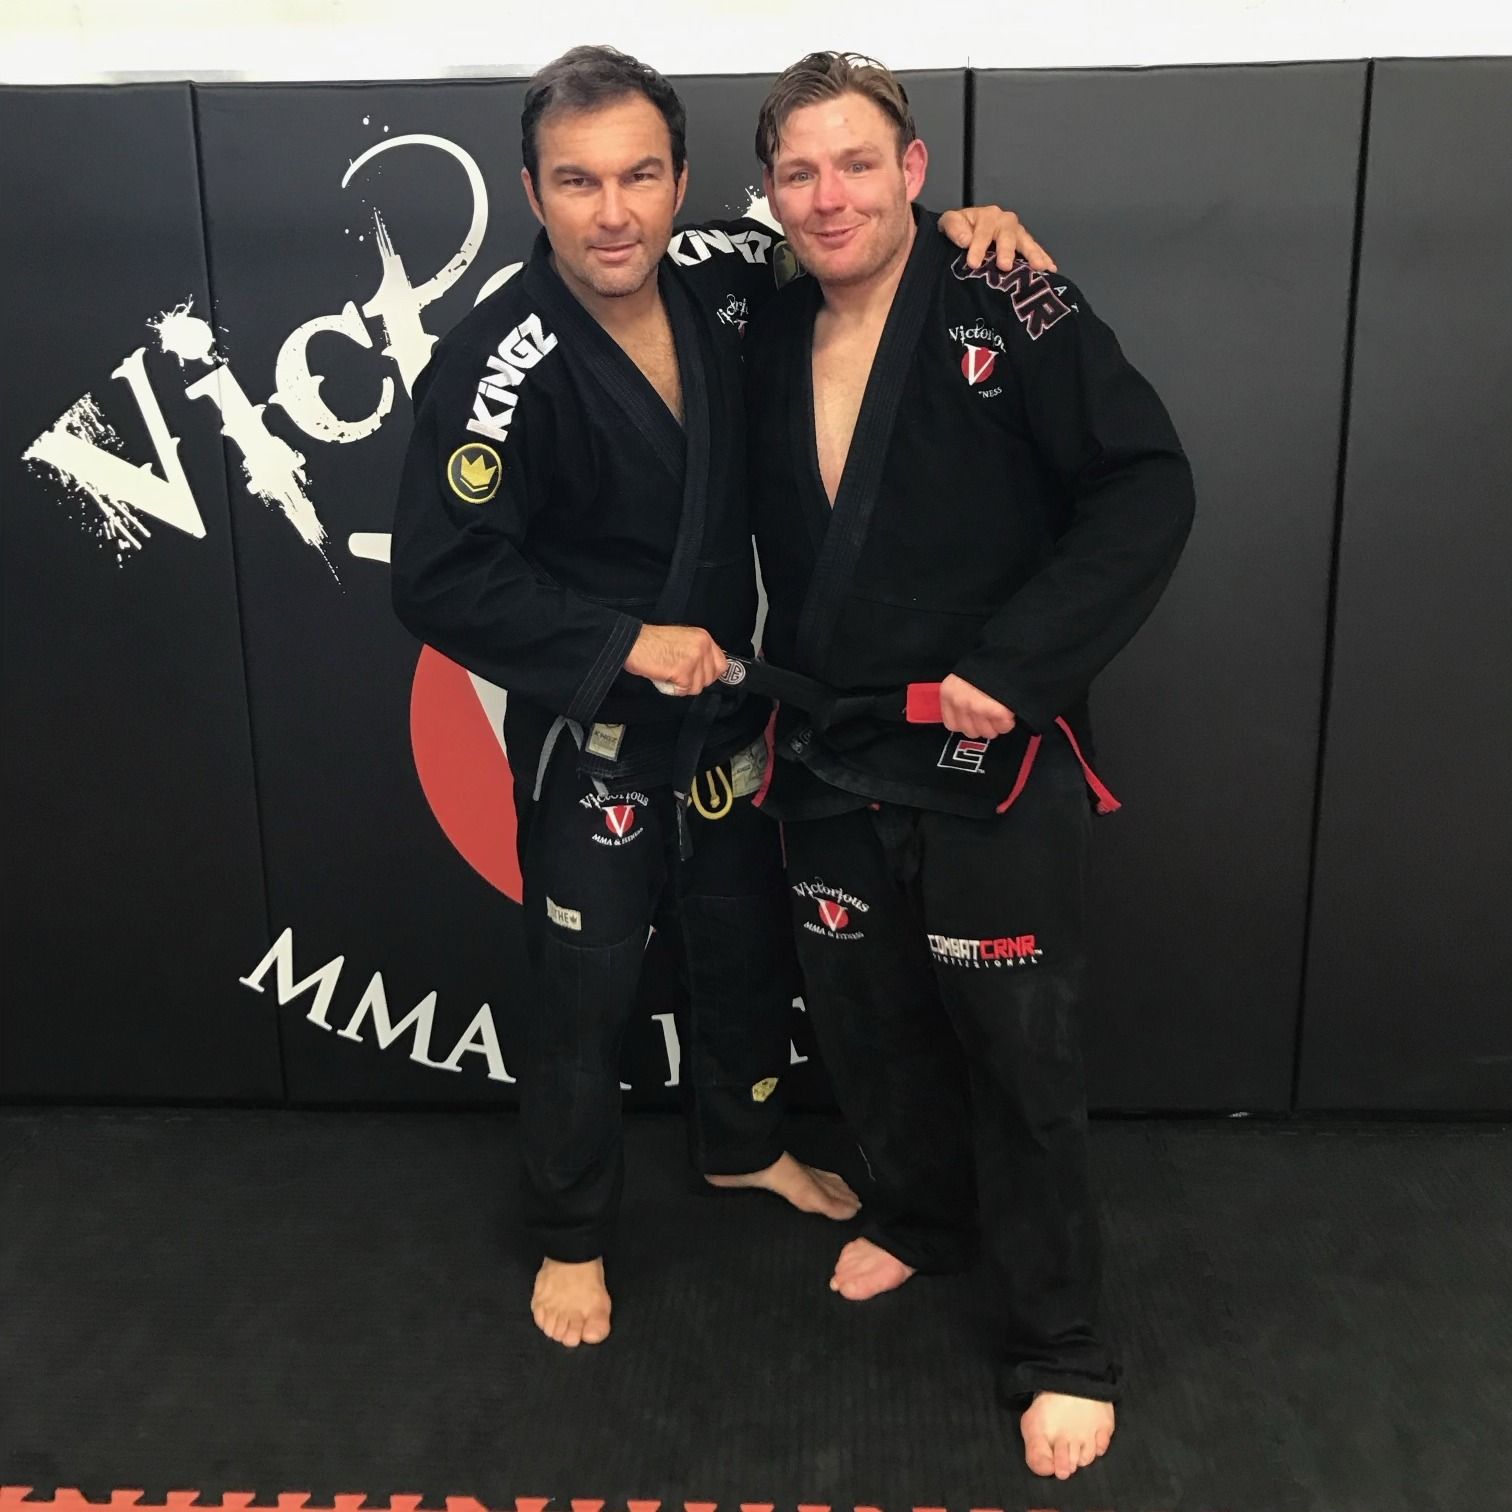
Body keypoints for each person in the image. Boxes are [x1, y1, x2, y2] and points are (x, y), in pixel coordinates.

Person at [389, 44, 1051, 1352]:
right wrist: (622, 640)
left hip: (736, 709)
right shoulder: (496, 360)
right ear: (532, 190)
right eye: (579, 182)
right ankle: (571, 1232)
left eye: (642, 174)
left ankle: (742, 1144)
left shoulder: (728, 279)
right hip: (600, 725)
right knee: (587, 983)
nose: (615, 210)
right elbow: (441, 580)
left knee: (743, 933)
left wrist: (972, 231)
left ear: (685, 179)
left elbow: (858, 237)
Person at [743, 52, 1196, 1481]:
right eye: (800, 172)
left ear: (916, 169)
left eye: (857, 164)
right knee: (869, 1021)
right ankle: (924, 1223)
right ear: (768, 193)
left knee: (1019, 1052)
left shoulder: (1008, 295)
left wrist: (1023, 664)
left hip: (987, 739)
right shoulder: (759, 324)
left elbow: (1145, 481)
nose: (829, 196)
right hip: (833, 745)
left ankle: (1060, 1346)